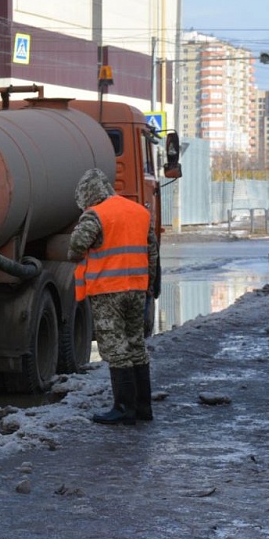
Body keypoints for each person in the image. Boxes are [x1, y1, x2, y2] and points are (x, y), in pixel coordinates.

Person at [68, 168, 158, 425]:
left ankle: (123, 408)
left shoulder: (96, 215)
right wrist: (148, 285)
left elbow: (75, 247)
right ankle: (143, 407)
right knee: (136, 345)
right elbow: (152, 253)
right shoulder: (140, 212)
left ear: (88, 194)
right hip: (137, 289)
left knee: (116, 349)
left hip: (108, 290)